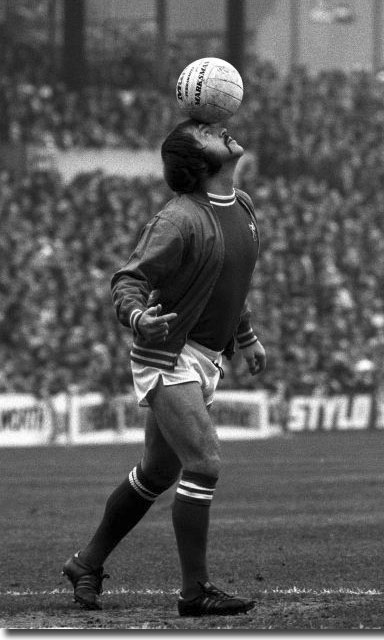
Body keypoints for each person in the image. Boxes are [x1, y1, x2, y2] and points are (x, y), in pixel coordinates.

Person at [62, 118, 267, 617]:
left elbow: (230, 281)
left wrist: (245, 336)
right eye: (205, 133)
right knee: (205, 462)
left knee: (156, 473)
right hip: (167, 355)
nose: (220, 130)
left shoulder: (241, 207)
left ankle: (86, 563)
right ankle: (194, 591)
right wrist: (137, 318)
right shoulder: (178, 219)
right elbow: (128, 279)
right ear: (200, 162)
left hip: (204, 357)